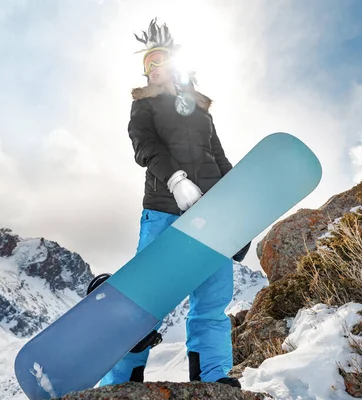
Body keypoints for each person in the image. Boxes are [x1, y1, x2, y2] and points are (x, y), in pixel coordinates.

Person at [97, 18, 249, 389]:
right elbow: (145, 148)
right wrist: (176, 179)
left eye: (158, 59)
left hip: (211, 213)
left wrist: (239, 209)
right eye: (147, 64)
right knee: (146, 298)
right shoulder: (143, 108)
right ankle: (123, 380)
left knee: (212, 300)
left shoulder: (200, 111)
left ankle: (213, 378)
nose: (152, 68)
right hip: (164, 207)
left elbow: (218, 156)